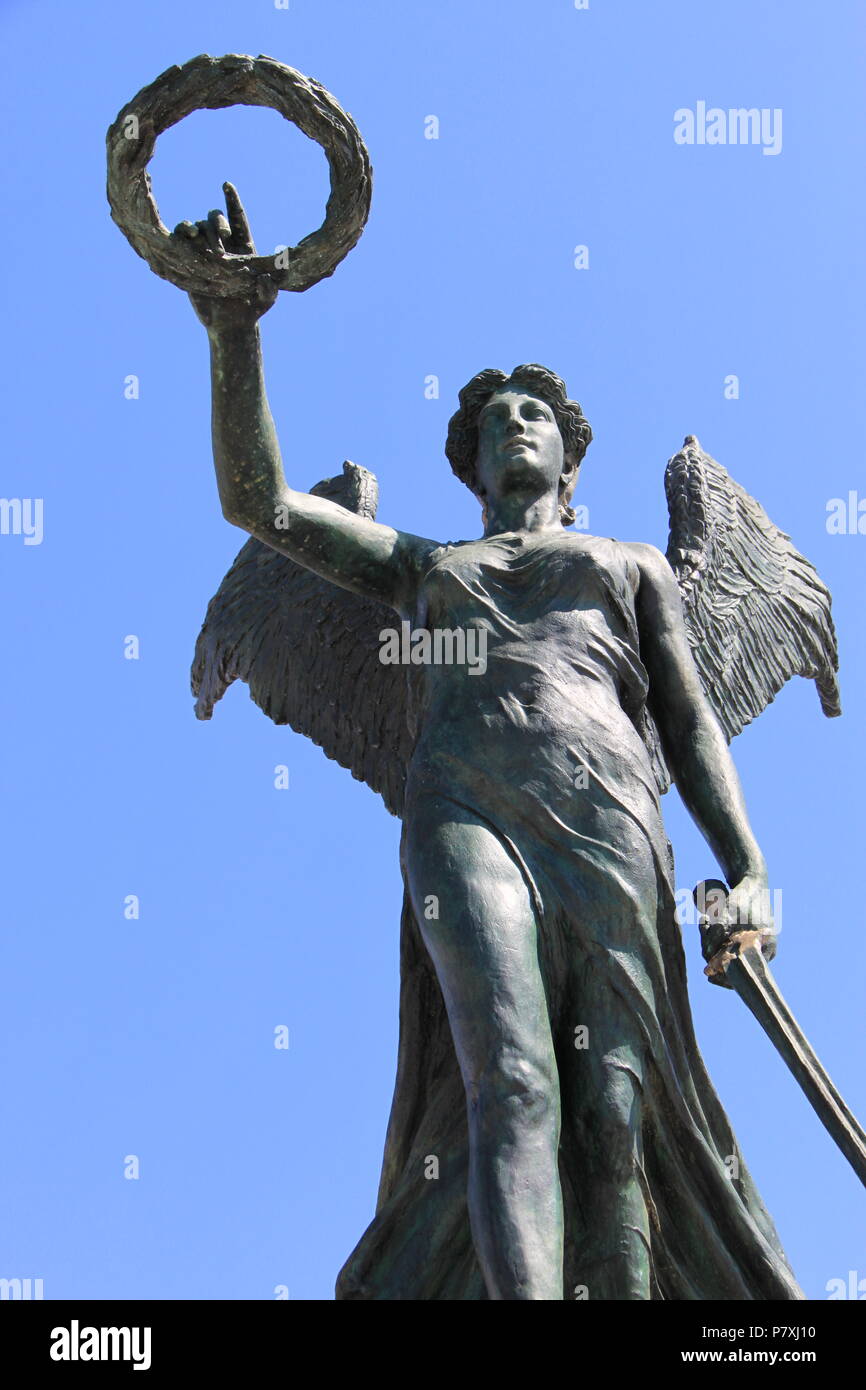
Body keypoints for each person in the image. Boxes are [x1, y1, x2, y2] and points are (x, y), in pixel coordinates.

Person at [175, 189, 802, 1300]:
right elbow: (260, 503)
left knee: (615, 1114)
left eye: (535, 412)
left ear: (568, 458)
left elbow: (688, 716)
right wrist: (234, 328)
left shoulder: (629, 564)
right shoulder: (424, 568)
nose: (516, 421)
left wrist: (747, 863)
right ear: (469, 463)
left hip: (613, 818)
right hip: (463, 806)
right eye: (496, 416)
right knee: (510, 1079)